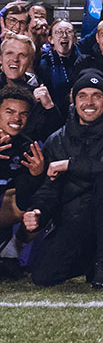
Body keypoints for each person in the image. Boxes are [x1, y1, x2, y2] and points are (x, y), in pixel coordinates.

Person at [22, 69, 103, 287]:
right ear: (73, 99)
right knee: (43, 276)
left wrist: (71, 164)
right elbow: (50, 187)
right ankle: (93, 258)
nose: (90, 102)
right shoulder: (58, 138)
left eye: (97, 95)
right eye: (83, 95)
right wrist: (38, 210)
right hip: (77, 220)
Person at [0, 85, 44, 270]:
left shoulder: (29, 147)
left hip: (7, 213)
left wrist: (36, 174)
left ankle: (11, 253)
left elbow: (27, 199)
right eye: (9, 112)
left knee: (42, 204)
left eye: (23, 114)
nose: (16, 118)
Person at [0, 32, 61, 142]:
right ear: (0, 59)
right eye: (9, 53)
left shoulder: (41, 95)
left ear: (30, 62)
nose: (15, 59)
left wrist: (50, 108)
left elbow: (55, 138)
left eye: (22, 55)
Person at [36, 19, 80, 116]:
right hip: (55, 114)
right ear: (51, 39)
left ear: (74, 38)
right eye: (59, 32)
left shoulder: (85, 61)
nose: (64, 35)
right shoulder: (44, 64)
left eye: (68, 32)